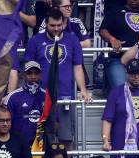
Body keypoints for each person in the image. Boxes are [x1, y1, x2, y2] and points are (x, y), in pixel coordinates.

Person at [25, 8, 90, 149]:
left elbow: (78, 67)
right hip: (41, 97)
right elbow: (28, 69)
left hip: (65, 96)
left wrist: (83, 90)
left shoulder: (73, 40)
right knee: (39, 138)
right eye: (52, 25)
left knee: (66, 139)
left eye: (59, 25)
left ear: (64, 24)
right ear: (46, 24)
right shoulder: (35, 41)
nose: (56, 29)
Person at [99, 0, 139, 89]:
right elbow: (103, 30)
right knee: (122, 91)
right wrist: (112, 39)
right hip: (118, 58)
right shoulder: (115, 11)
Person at [3, 61, 46, 146]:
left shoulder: (47, 96)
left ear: (40, 75)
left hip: (41, 145)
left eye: (36, 73)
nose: (33, 76)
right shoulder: (13, 97)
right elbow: (5, 123)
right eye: (29, 73)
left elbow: (55, 123)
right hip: (18, 145)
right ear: (24, 75)